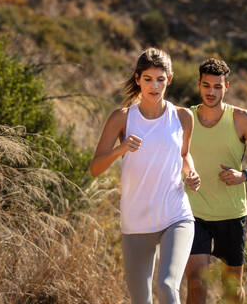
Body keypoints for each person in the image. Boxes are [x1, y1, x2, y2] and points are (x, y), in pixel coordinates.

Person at [90, 48, 201, 304]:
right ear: (138, 79)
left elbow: (184, 155)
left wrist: (191, 172)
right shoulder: (123, 118)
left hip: (175, 215)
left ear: (169, 79)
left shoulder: (183, 116)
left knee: (166, 285)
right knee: (141, 300)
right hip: (136, 221)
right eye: (148, 79)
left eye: (160, 79)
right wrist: (121, 149)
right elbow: (96, 168)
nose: (155, 86)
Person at [184, 58, 247, 303]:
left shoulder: (241, 118)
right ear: (199, 84)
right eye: (206, 85)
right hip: (194, 213)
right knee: (195, 282)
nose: (211, 92)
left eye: (217, 86)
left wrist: (244, 174)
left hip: (231, 214)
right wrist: (185, 173)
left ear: (227, 86)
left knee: (232, 290)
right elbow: (175, 156)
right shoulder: (185, 117)